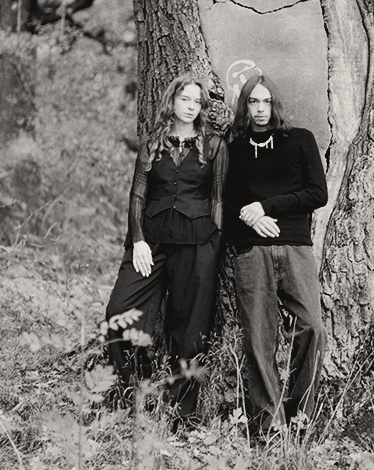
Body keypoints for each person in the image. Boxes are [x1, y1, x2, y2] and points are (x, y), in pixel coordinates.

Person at [103, 74, 227, 427]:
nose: (190, 106)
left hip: (197, 243)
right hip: (152, 243)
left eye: (196, 102)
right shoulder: (153, 143)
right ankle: (131, 393)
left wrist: (212, 244)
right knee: (119, 311)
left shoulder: (214, 146)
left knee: (189, 328)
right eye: (184, 99)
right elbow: (137, 195)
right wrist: (138, 239)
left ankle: (181, 412)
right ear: (171, 101)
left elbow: (218, 199)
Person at [225, 74, 328, 437]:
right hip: (252, 253)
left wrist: (264, 206)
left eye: (266, 102)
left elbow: (318, 193)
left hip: (296, 248)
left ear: (276, 104)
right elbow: (225, 207)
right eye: (253, 102)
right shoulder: (233, 149)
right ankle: (270, 427)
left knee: (312, 328)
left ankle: (299, 416)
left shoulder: (299, 140)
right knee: (258, 339)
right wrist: (249, 217)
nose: (260, 109)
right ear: (245, 106)